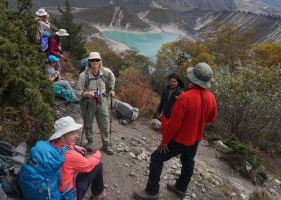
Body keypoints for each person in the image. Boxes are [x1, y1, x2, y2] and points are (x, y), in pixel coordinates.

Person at [133, 62, 217, 200]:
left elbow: (174, 124)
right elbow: (211, 118)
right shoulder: (211, 97)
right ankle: (180, 188)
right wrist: (196, 123)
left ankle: (152, 191)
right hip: (195, 139)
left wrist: (165, 141)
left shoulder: (185, 97)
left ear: (193, 78)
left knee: (156, 158)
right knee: (188, 162)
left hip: (179, 139)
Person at [50, 116, 107, 200]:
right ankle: (97, 194)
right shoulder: (71, 156)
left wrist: (74, 146)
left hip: (52, 190)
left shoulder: (50, 144)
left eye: (76, 132)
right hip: (66, 196)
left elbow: (62, 146)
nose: (77, 135)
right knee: (97, 164)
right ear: (62, 136)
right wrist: (97, 154)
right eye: (72, 133)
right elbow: (89, 165)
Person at [75, 52, 116, 155]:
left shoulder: (105, 72)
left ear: (100, 61)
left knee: (104, 122)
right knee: (88, 122)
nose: (95, 62)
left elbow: (112, 78)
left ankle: (106, 144)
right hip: (88, 101)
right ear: (89, 62)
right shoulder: (83, 76)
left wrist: (111, 89)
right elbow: (77, 92)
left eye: (97, 60)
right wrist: (85, 94)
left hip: (101, 98)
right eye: (92, 60)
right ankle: (90, 141)